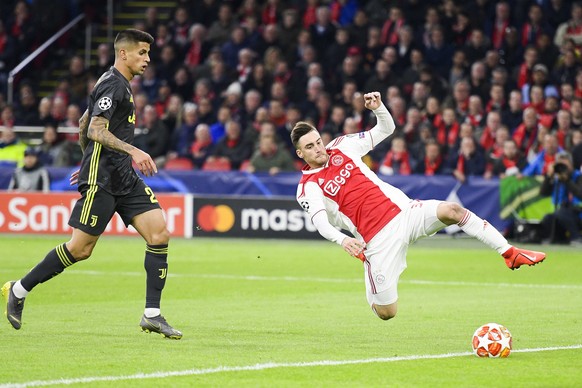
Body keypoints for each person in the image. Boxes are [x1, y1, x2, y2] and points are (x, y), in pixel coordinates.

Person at [291, 91, 546, 321]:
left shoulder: (342, 146)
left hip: (405, 212)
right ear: (301, 153)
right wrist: (343, 240)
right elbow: (321, 223)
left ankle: (509, 253)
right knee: (387, 313)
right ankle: (372, 273)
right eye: (310, 147)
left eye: (318, 142)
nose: (318, 149)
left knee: (452, 210)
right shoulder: (307, 186)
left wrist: (379, 108)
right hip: (377, 240)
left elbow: (386, 129)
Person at [2, 29, 182, 339]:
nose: (148, 59)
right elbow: (96, 129)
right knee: (80, 249)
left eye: (148, 53)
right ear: (123, 54)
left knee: (159, 233)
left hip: (123, 177)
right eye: (142, 52)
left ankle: (152, 313)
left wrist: (88, 159)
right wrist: (131, 150)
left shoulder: (116, 83)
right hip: (103, 179)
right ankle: (19, 289)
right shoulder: (113, 83)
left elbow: (84, 123)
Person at [539, 151, 582, 245]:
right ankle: (558, 238)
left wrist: (567, 180)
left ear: (571, 164)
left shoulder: (578, 176)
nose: (563, 168)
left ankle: (577, 237)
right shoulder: (556, 177)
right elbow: (543, 193)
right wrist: (549, 177)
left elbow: (580, 193)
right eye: (560, 165)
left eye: (565, 165)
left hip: (578, 212)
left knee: (561, 213)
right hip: (561, 212)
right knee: (548, 218)